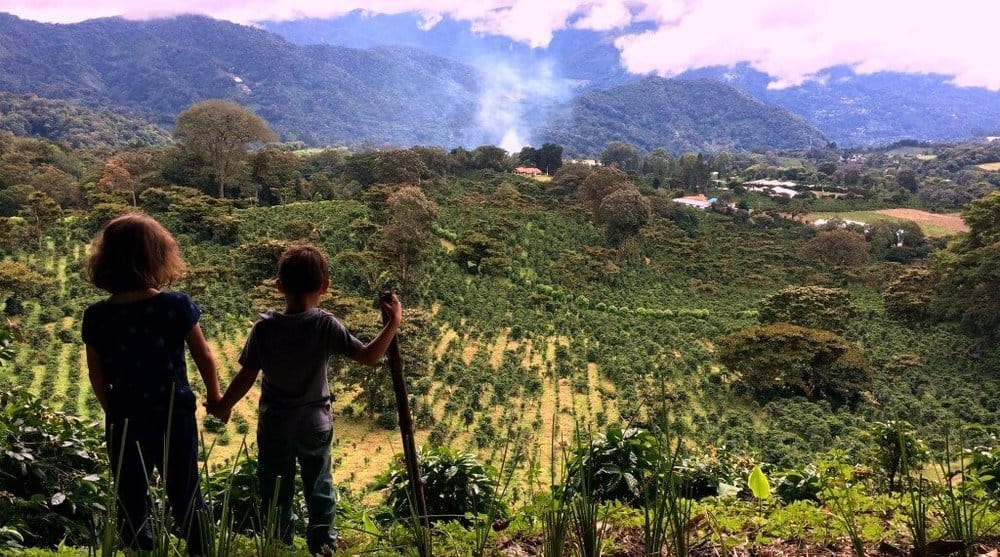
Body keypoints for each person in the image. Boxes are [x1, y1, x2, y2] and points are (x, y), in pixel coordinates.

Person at [208, 244, 402, 554]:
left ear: (279, 285)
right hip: (314, 425)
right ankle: (323, 546)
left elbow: (245, 376)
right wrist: (392, 323)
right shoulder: (324, 324)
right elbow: (368, 356)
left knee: (275, 494)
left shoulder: (263, 329)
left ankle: (278, 546)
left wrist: (223, 405)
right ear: (325, 286)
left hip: (275, 427)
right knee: (319, 488)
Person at [82, 213, 221, 554]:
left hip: (124, 417)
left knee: (130, 495)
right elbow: (204, 356)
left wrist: (111, 409)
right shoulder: (175, 305)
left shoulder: (97, 315)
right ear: (158, 258)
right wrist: (216, 397)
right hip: (173, 415)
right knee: (186, 491)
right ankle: (200, 550)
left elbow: (95, 373)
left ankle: (139, 548)